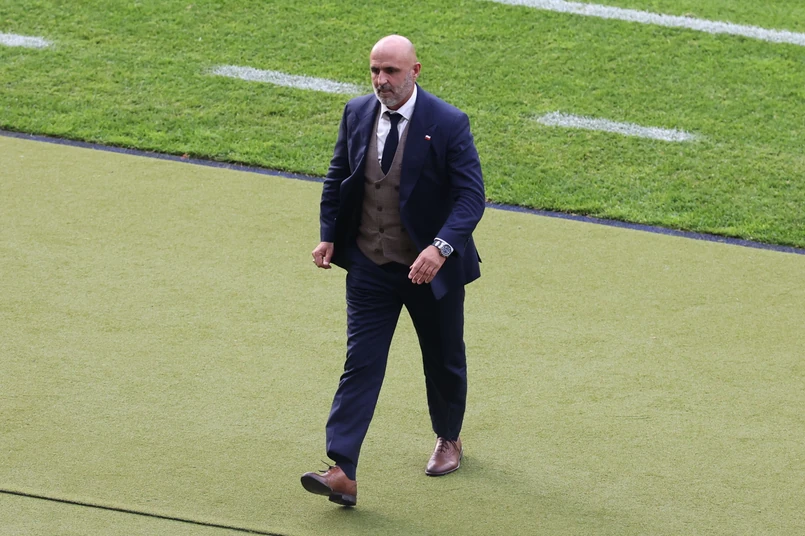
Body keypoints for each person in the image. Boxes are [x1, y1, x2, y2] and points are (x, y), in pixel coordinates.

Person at [301, 34, 485, 507]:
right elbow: (338, 176)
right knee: (360, 363)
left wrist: (440, 248)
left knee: (443, 359)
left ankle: (449, 436)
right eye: (374, 70)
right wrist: (328, 234)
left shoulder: (448, 122)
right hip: (370, 265)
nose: (381, 80)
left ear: (415, 71)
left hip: (431, 271)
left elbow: (471, 197)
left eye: (391, 71)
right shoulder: (356, 112)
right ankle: (342, 470)